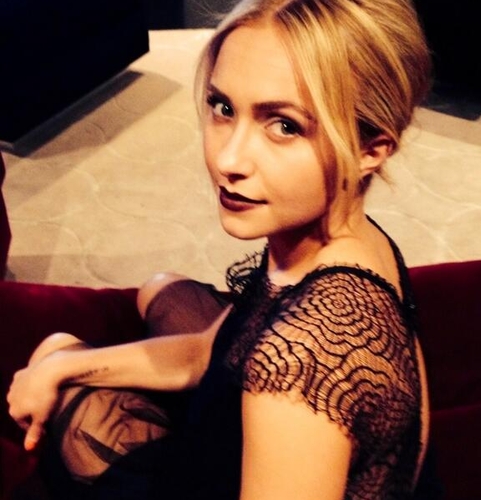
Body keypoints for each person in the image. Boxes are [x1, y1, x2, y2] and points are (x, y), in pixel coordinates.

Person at [7, 0, 435, 498]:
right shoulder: (342, 237)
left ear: (370, 149)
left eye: (285, 125)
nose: (228, 160)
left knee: (60, 359)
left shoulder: (301, 361)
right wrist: (62, 366)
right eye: (223, 108)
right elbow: (210, 350)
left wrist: (59, 360)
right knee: (157, 291)